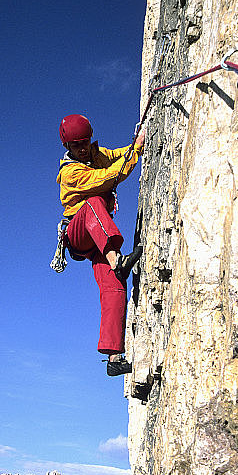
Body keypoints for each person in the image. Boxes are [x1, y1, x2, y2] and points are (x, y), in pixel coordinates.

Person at [56, 113, 145, 376]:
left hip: (98, 238)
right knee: (94, 202)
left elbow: (116, 155)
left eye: (85, 142)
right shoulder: (70, 172)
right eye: (76, 145)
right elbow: (108, 178)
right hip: (80, 231)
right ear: (67, 146)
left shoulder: (95, 154)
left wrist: (136, 144)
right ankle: (118, 261)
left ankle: (114, 357)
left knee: (114, 286)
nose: (82, 148)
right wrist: (136, 153)